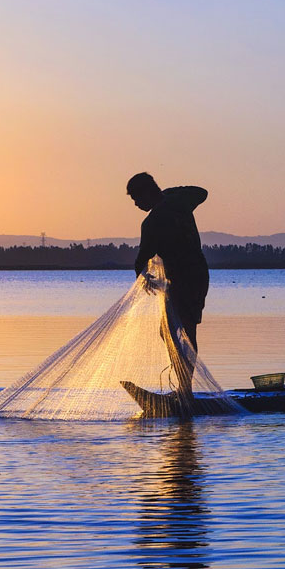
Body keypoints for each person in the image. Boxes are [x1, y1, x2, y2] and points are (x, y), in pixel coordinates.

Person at [127, 172, 209, 402]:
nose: (136, 204)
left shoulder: (153, 221)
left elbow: (140, 260)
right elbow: (201, 192)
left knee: (184, 330)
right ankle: (184, 388)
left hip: (187, 278)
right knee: (171, 332)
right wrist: (170, 194)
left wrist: (142, 276)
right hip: (190, 275)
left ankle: (185, 391)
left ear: (147, 192)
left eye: (136, 198)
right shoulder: (178, 202)